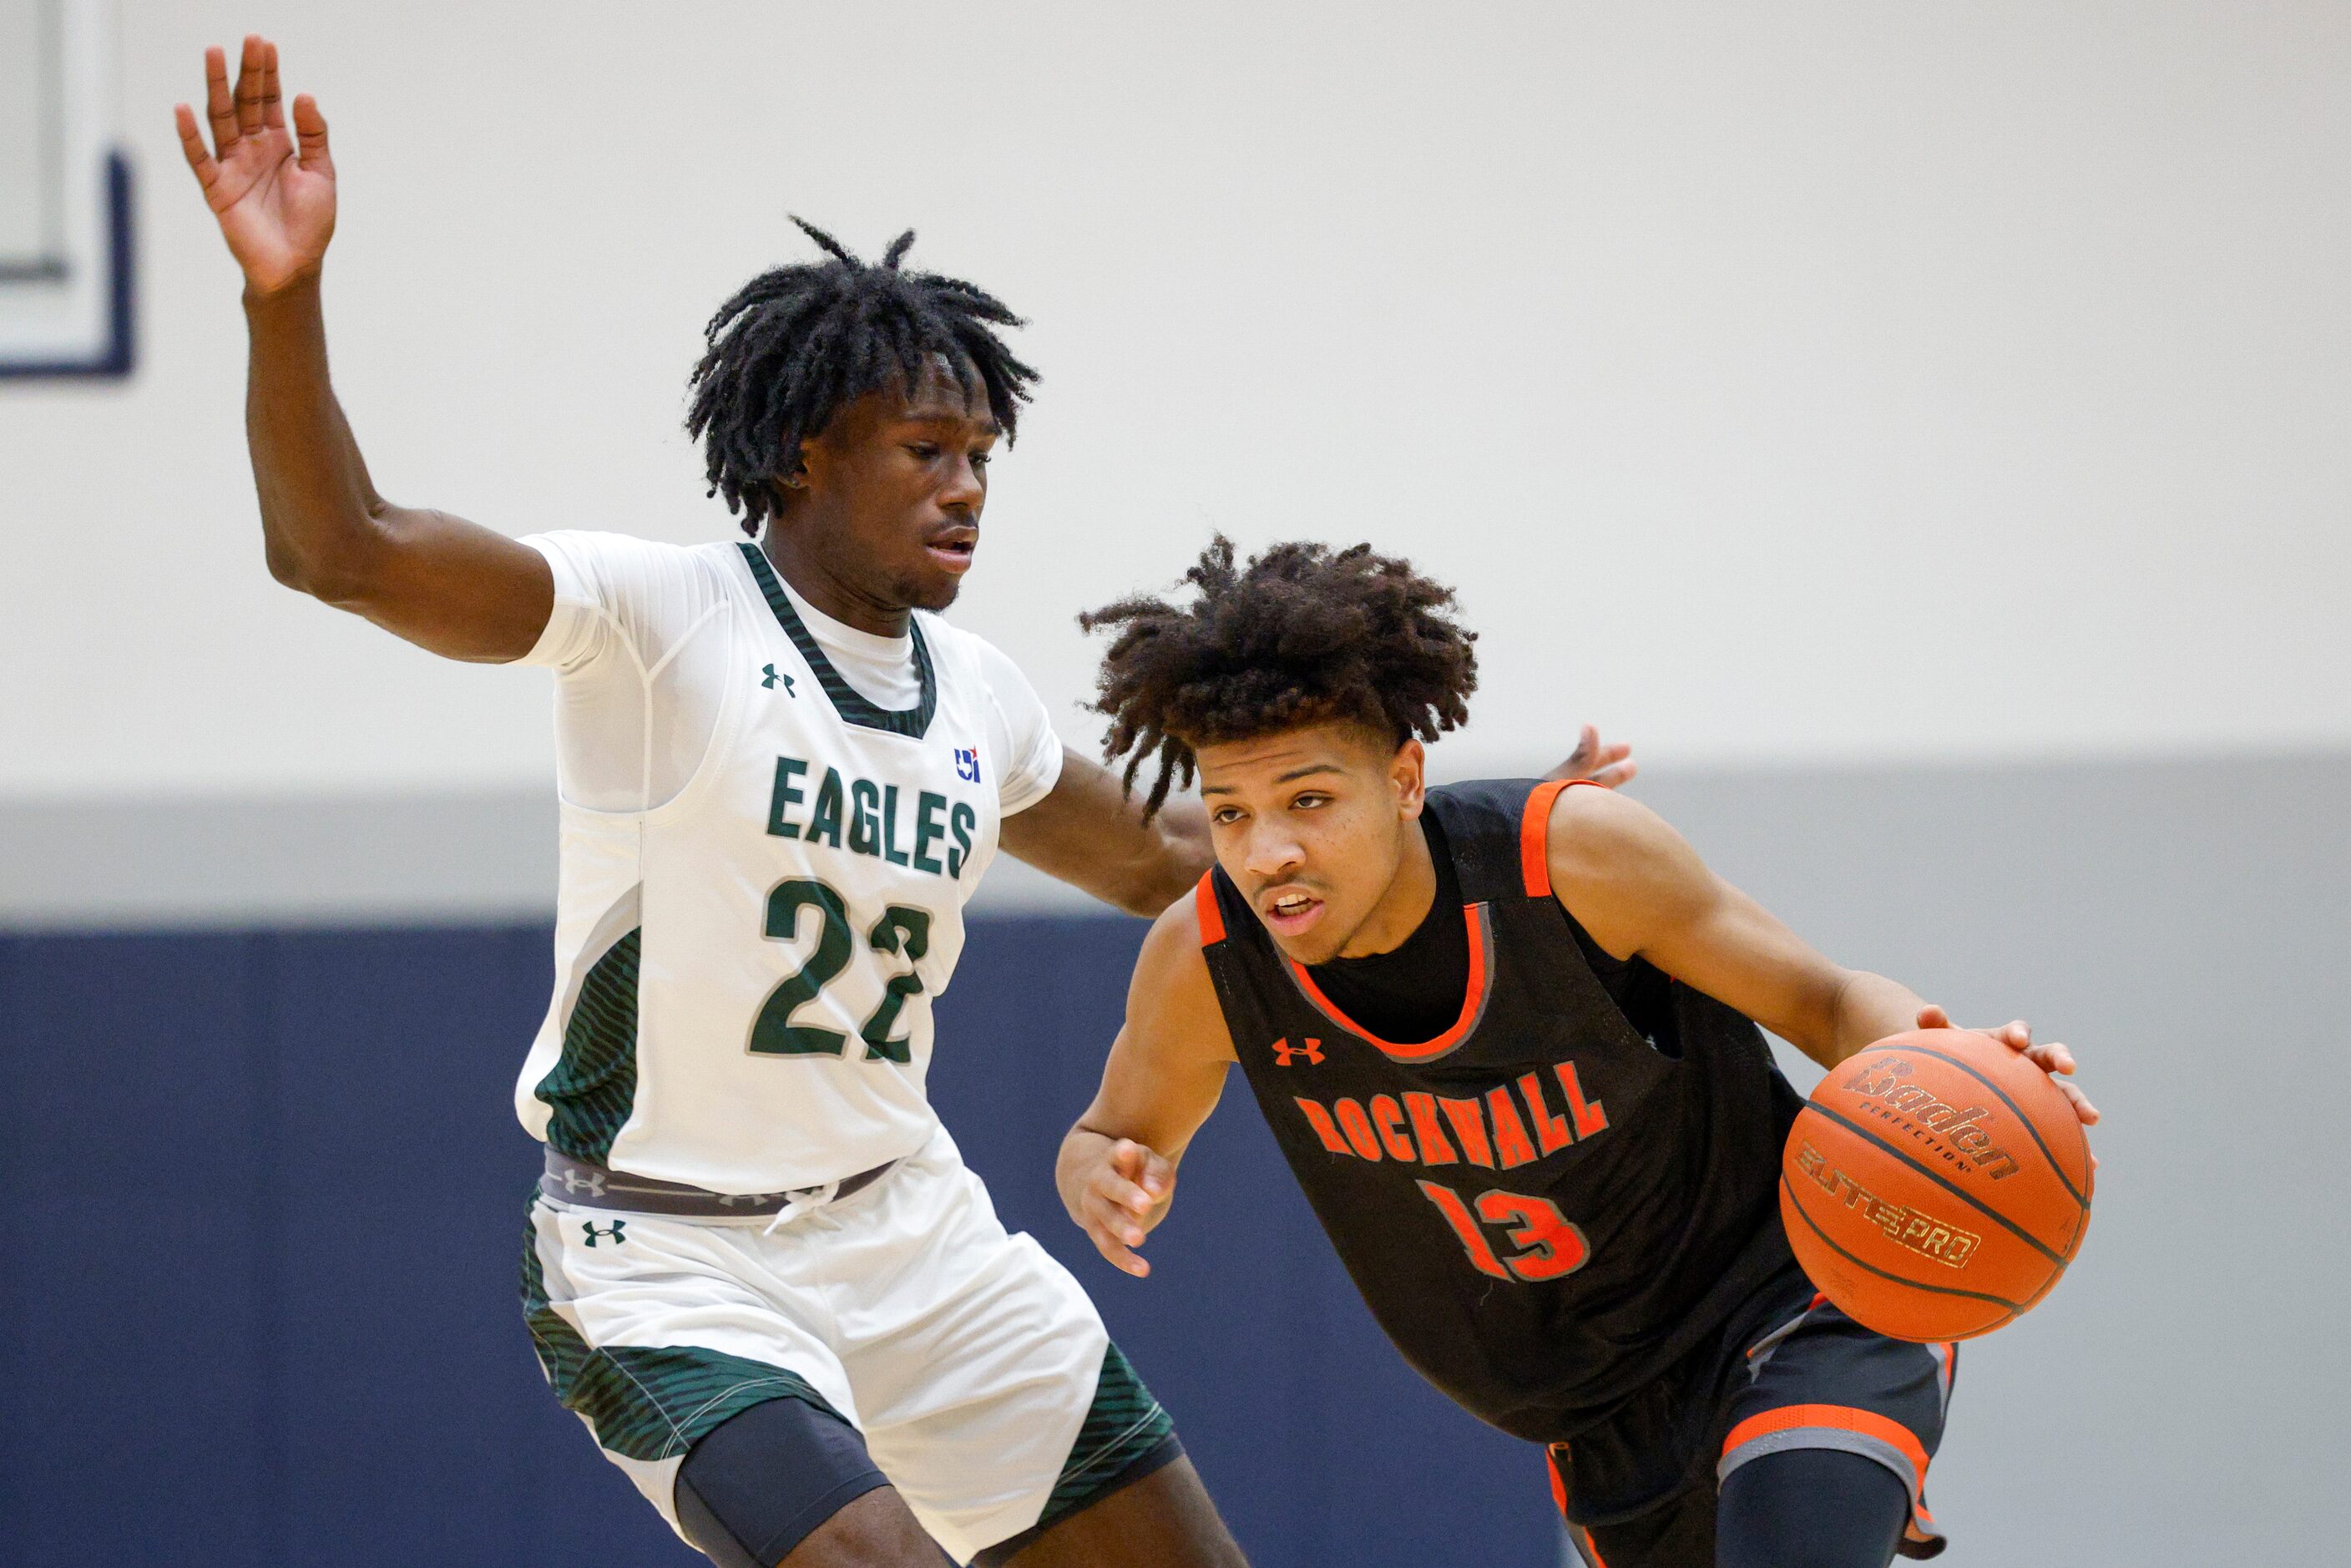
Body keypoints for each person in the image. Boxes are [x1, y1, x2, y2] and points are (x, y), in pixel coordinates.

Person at [171, 33, 1639, 1568]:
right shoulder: (656, 617)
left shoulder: (977, 690)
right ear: (806, 451)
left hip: (911, 1232)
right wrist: (286, 298)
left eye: (983, 457)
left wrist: (1474, 829)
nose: (967, 488)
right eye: (926, 450)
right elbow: (340, 547)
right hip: (669, 1254)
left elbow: (1170, 861)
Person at [1057, 538, 2100, 1568]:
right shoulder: (1205, 962)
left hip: (1793, 1297)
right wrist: (1102, 1173)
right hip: (1594, 1412)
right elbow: (1111, 1130)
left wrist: (1941, 1056)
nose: (1265, 851)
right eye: (1230, 813)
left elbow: (1827, 1003)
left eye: (1309, 802)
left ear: (1406, 779)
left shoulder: (1572, 861)